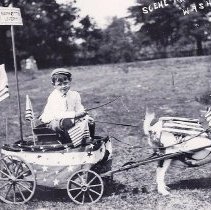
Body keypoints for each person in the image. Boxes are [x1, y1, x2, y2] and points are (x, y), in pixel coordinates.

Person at [39, 68, 94, 146]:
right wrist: (75, 115)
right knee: (67, 123)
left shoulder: (75, 94)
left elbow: (79, 108)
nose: (63, 86)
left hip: (70, 118)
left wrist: (84, 114)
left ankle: (88, 142)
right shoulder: (53, 97)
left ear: (70, 81)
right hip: (53, 120)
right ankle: (70, 144)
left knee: (89, 121)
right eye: (59, 84)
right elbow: (57, 114)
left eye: (65, 83)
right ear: (54, 85)